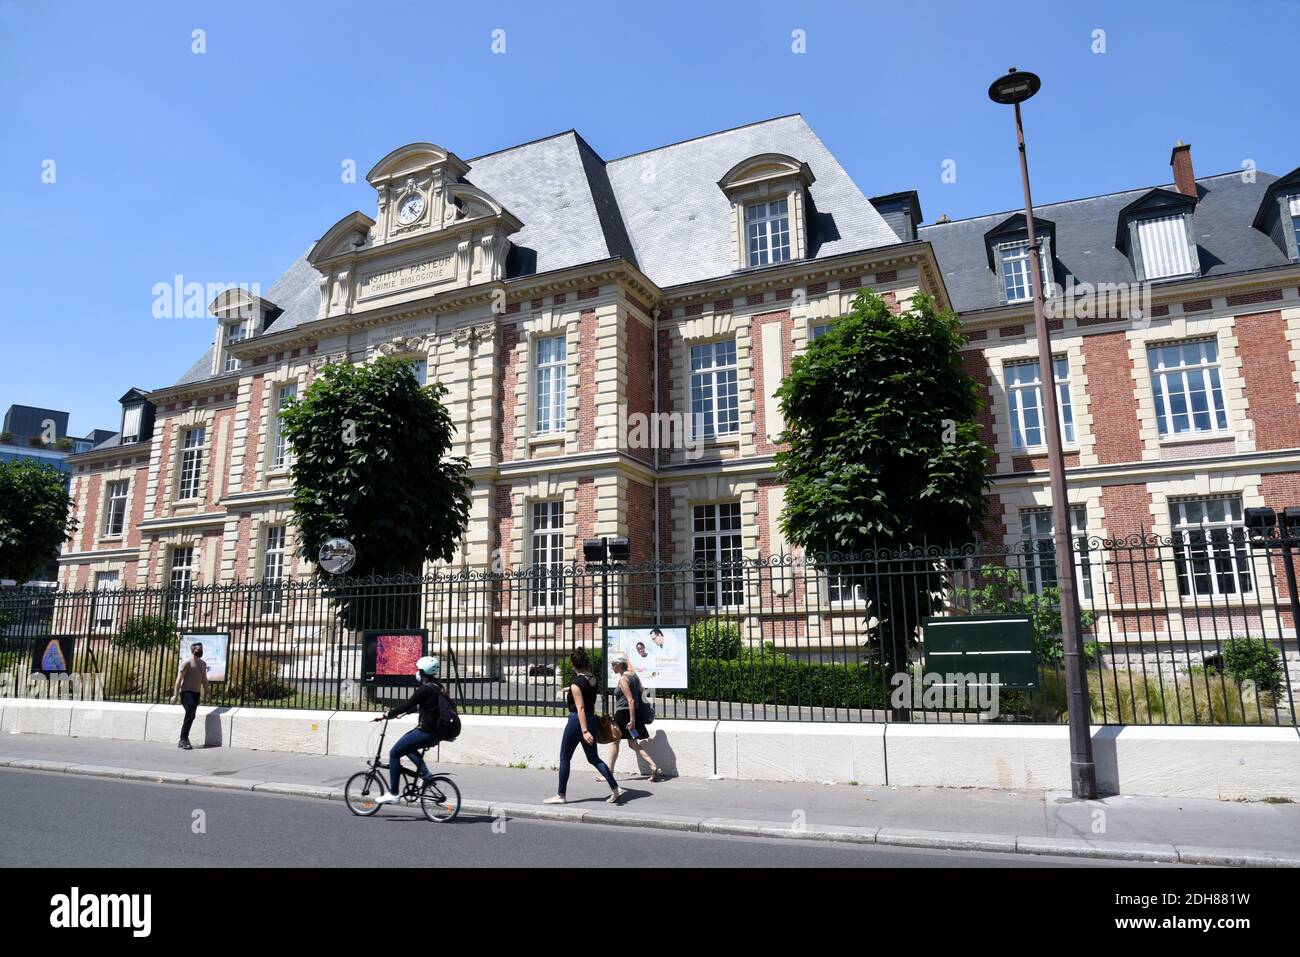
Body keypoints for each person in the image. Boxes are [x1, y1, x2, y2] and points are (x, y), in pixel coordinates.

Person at [544, 649, 624, 805]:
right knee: (594, 758)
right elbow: (585, 689)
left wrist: (585, 731)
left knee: (565, 757)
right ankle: (615, 788)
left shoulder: (576, 684)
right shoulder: (592, 678)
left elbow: (579, 707)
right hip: (591, 718)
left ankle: (561, 795)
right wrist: (570, 689)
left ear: (573, 664)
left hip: (577, 722)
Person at [372, 655, 447, 804]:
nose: (416, 673)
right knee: (407, 748)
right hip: (435, 733)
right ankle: (426, 776)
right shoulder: (437, 688)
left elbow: (406, 704)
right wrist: (404, 713)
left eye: (418, 670)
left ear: (423, 672)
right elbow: (421, 706)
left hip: (425, 732)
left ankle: (393, 793)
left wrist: (388, 713)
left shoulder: (424, 690)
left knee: (394, 753)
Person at [606, 652, 662, 782]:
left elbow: (630, 700)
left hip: (623, 714)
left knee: (615, 742)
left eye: (613, 665)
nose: (612, 667)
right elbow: (641, 693)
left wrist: (631, 720)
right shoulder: (634, 677)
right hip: (633, 713)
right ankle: (653, 766)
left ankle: (609, 773)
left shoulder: (623, 679)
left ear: (620, 665)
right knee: (633, 744)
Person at [169, 642, 208, 750]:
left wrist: (207, 693)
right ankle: (184, 739)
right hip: (186, 692)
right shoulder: (186, 663)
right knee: (190, 713)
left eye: (201, 648)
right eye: (198, 649)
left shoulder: (203, 664)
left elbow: (204, 680)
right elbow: (178, 680)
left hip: (196, 693)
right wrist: (175, 695)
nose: (200, 650)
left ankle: (182, 739)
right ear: (193, 650)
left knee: (191, 715)